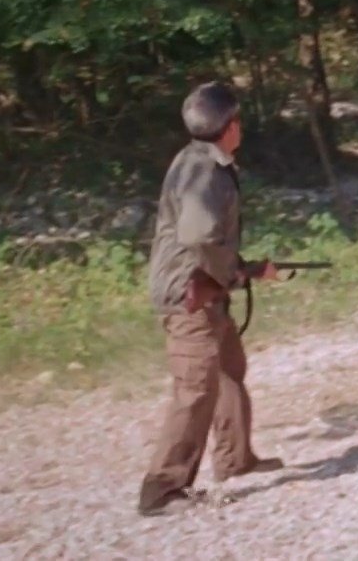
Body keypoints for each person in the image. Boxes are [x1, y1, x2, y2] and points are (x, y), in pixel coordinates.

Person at [138, 81, 284, 516]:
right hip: (190, 297)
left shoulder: (198, 160)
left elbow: (208, 241)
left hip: (203, 290)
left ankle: (235, 460)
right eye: (238, 120)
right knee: (196, 389)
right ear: (229, 125)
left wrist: (242, 269)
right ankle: (162, 491)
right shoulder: (204, 170)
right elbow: (200, 236)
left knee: (229, 369)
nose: (241, 127)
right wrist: (233, 272)